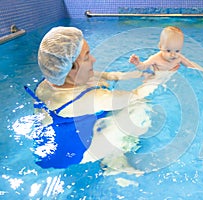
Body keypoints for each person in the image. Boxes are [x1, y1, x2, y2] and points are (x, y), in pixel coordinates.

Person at [26, 26, 153, 173]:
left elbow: (102, 76)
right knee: (139, 107)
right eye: (87, 56)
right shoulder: (93, 98)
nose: (93, 59)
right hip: (75, 156)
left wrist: (126, 75)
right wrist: (159, 77)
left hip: (51, 147)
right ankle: (116, 163)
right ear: (72, 67)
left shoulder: (49, 82)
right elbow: (136, 96)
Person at [129, 26, 203, 76]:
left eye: (177, 51)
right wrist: (138, 63)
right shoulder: (155, 58)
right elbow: (143, 67)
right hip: (154, 75)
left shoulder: (179, 58)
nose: (173, 55)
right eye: (168, 50)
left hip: (168, 76)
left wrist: (201, 69)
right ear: (160, 46)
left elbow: (190, 65)